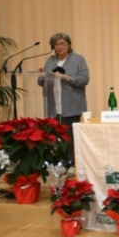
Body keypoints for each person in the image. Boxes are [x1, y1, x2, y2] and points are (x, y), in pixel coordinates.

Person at [38, 32, 89, 166]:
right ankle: (60, 163)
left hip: (72, 106)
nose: (59, 47)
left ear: (68, 45)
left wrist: (67, 78)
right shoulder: (50, 60)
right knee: (57, 137)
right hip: (53, 106)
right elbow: (41, 82)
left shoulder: (78, 59)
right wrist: (42, 75)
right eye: (56, 44)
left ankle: (73, 163)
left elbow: (84, 79)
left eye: (62, 43)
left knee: (70, 137)